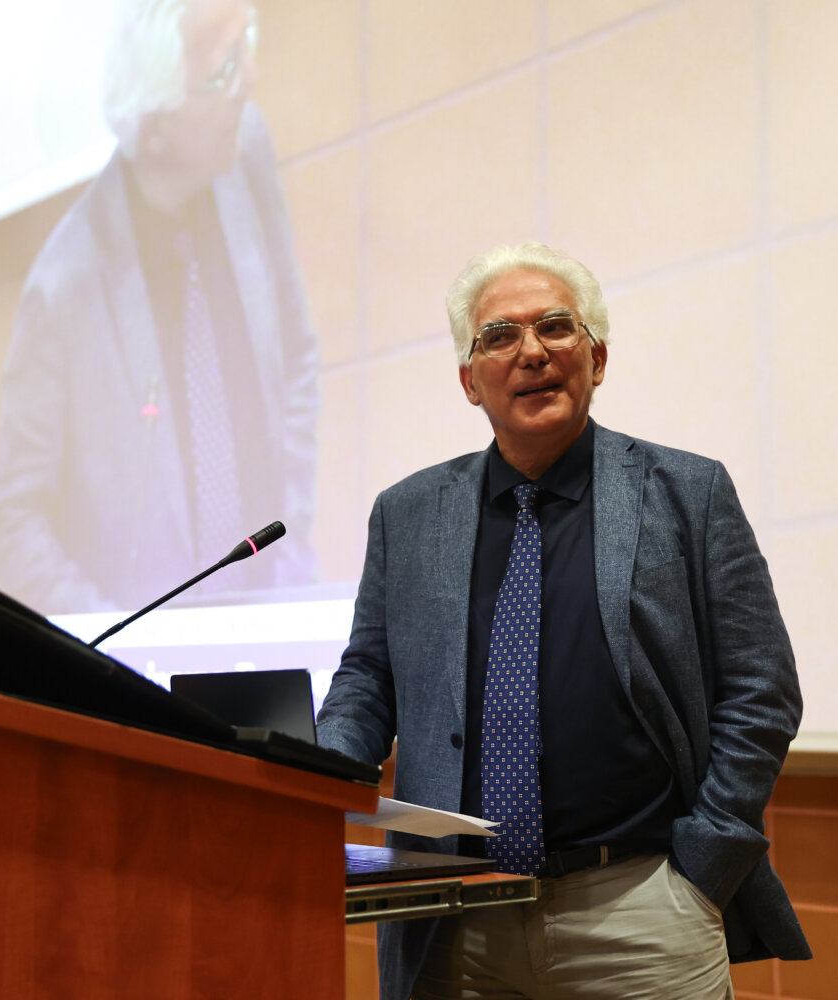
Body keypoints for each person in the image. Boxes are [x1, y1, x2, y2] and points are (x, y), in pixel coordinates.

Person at [317, 243, 810, 999]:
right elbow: (369, 678)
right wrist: (309, 777)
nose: (532, 352)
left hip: (641, 911)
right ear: (468, 380)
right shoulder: (408, 514)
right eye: (499, 336)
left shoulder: (688, 492)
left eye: (555, 326)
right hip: (454, 917)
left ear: (597, 357)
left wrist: (704, 867)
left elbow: (761, 688)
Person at [0, 0, 317, 615]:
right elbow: (16, 523)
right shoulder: (63, 286)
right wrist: (120, 646)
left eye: (246, 43)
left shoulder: (246, 147)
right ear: (155, 121)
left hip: (275, 605)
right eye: (224, 68)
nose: (251, 77)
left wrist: (292, 545)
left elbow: (296, 354)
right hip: (145, 649)